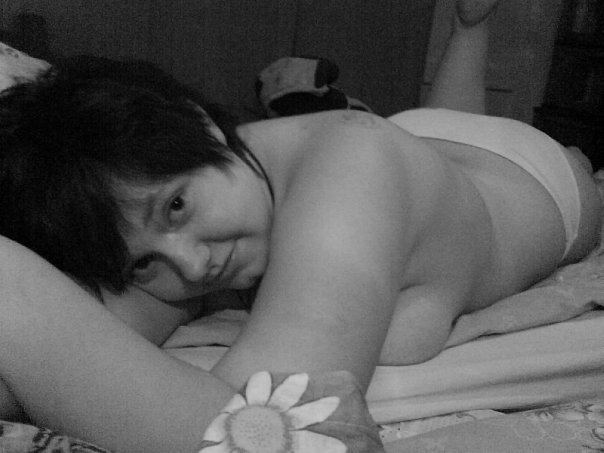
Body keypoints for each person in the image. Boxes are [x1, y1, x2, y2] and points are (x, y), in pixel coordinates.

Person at [0, 0, 601, 451]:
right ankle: (466, 33)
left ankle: (471, 31)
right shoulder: (177, 206)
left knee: (416, 143)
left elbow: (274, 434)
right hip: (403, 147)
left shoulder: (351, 169)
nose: (192, 264)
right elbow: (90, 336)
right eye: (142, 264)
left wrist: (13, 290)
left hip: (528, 175)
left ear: (203, 126)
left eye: (176, 207)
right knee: (413, 141)